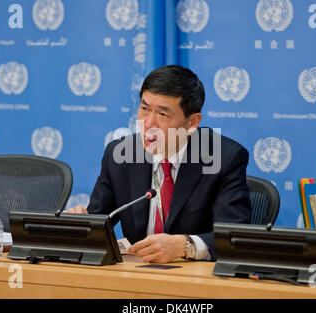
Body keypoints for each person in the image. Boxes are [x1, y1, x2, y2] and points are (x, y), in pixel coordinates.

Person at [68, 65, 252, 263]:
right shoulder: (120, 155)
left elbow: (232, 238)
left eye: (162, 115)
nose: (148, 124)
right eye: (145, 109)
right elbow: (99, 220)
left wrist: (184, 245)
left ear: (192, 122)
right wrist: (81, 223)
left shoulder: (224, 158)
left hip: (194, 280)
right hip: (136, 278)